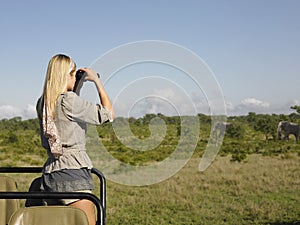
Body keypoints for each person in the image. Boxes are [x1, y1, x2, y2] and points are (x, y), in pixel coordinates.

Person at [36, 54, 115, 225]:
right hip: (74, 174)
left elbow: (67, 108)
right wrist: (96, 81)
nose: (74, 77)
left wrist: (77, 85)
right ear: (65, 76)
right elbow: (108, 114)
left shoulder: (43, 102)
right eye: (72, 74)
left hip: (50, 176)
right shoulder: (69, 101)